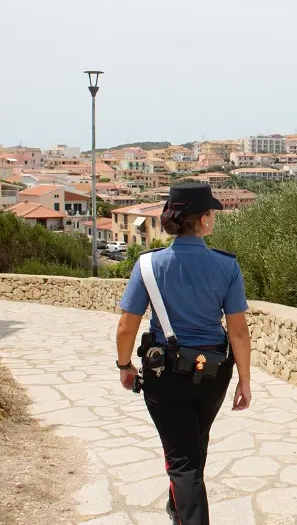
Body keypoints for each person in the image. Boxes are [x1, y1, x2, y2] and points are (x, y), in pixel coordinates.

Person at [115, 182, 252, 525]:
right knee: (194, 444)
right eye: (212, 214)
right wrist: (245, 382)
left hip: (165, 375)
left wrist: (124, 365)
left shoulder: (148, 266)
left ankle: (185, 512)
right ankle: (180, 507)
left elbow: (126, 328)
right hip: (214, 373)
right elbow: (238, 331)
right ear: (204, 220)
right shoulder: (227, 267)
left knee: (182, 459)